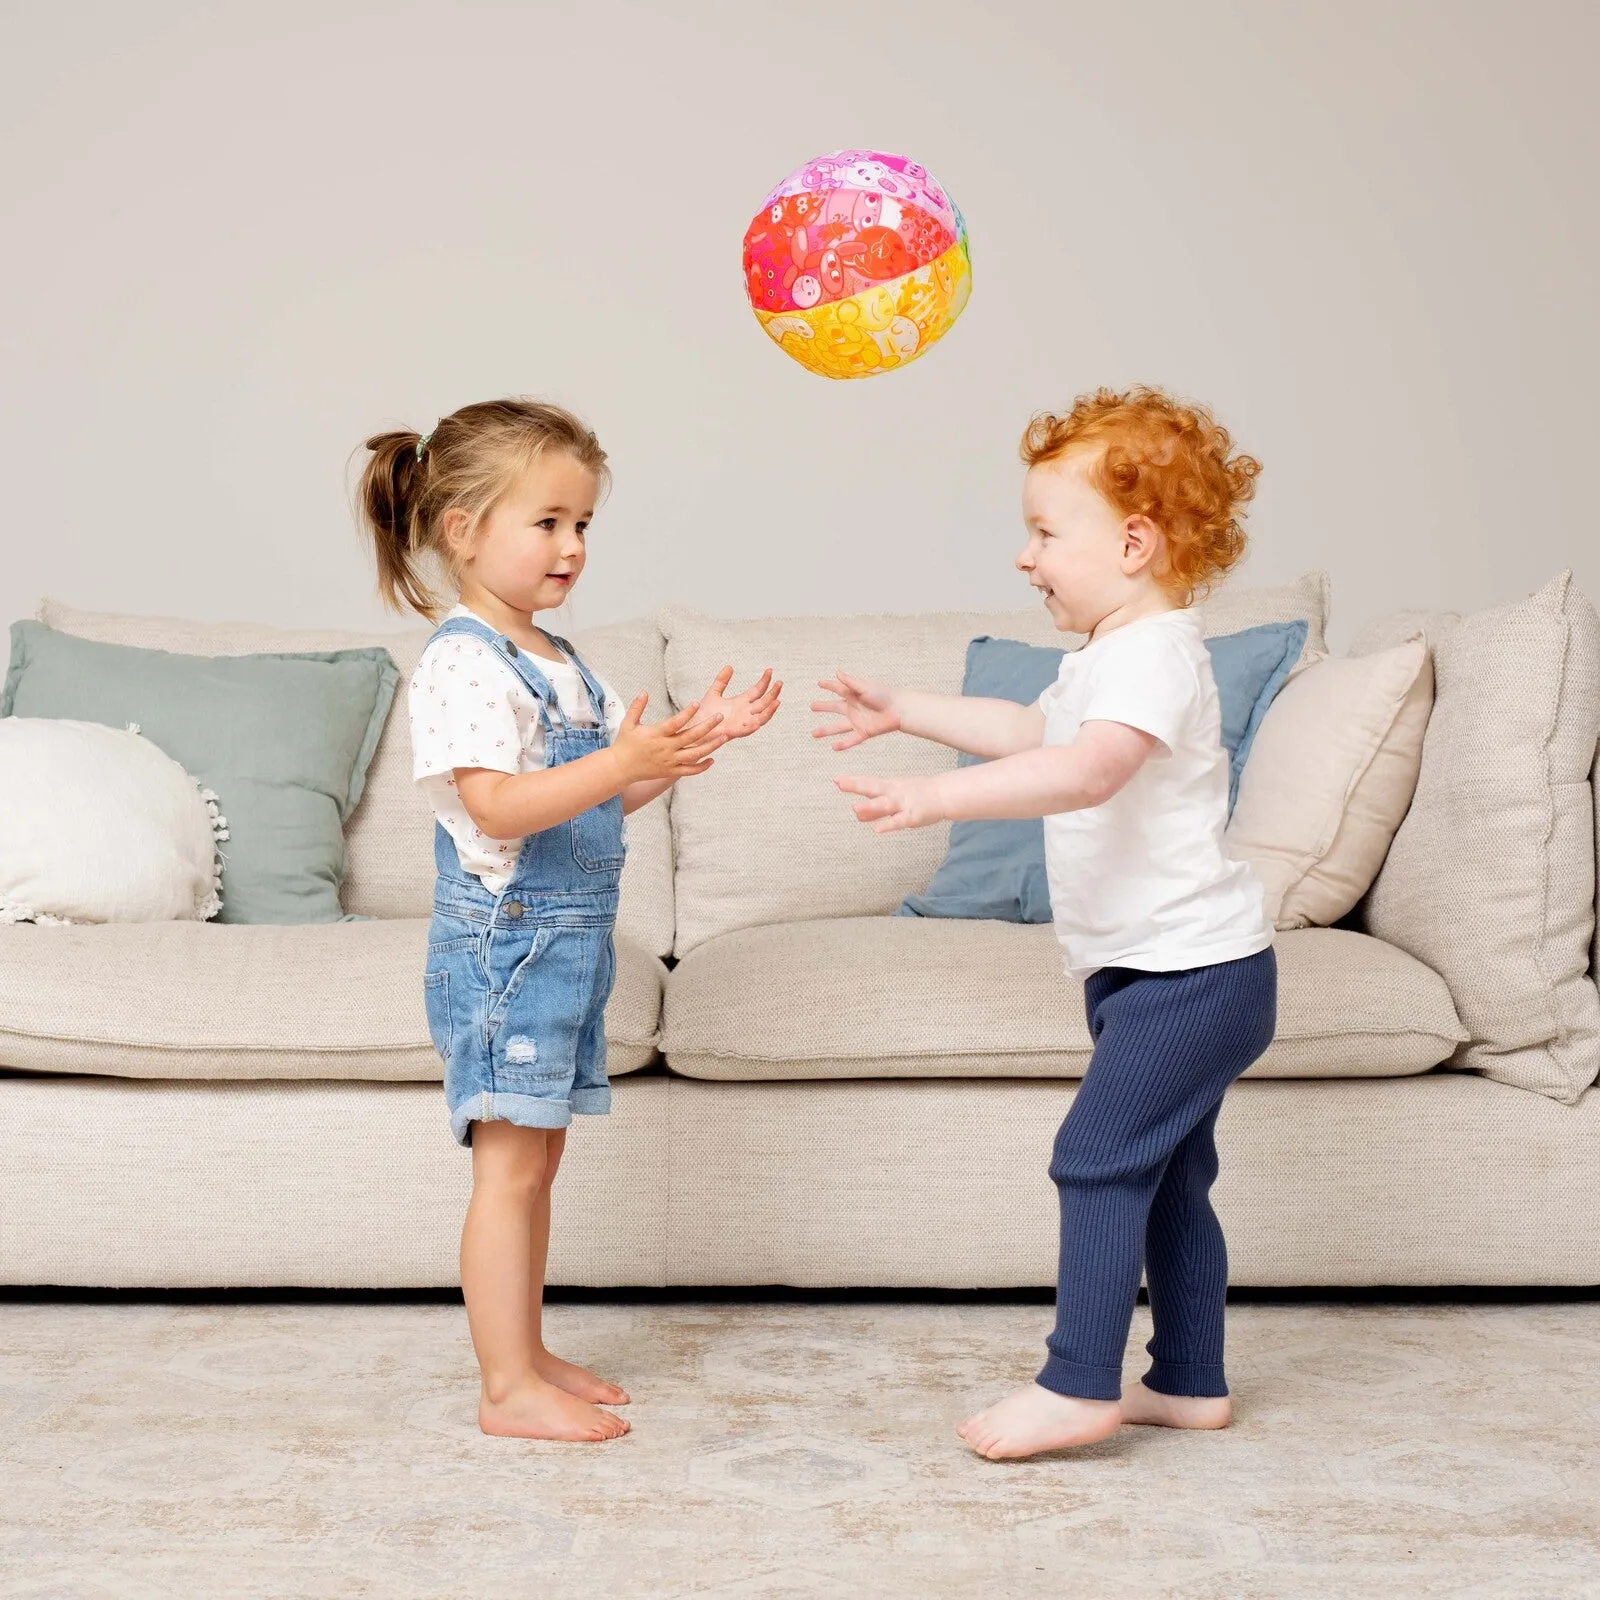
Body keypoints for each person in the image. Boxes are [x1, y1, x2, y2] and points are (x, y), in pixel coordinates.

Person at [813, 386, 1277, 1459]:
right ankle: (1190, 1379)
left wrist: (933, 800)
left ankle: (1079, 1384)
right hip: (1155, 970)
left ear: (1131, 540)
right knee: (1166, 1176)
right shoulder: (1110, 656)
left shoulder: (1156, 652)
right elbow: (1033, 727)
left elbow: (1083, 770)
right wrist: (909, 711)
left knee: (1096, 1156)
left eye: (1042, 532)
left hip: (1190, 976)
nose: (1024, 558)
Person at [356, 398, 780, 1441]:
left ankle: (526, 1347)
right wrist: (618, 761)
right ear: (462, 529)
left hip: (561, 948)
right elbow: (495, 805)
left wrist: (673, 752)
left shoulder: (552, 653)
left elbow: (582, 797)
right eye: (546, 522)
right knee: (507, 1167)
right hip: (505, 948)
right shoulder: (463, 660)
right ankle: (505, 1389)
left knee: (536, 1160)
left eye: (582, 524)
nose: (573, 546)